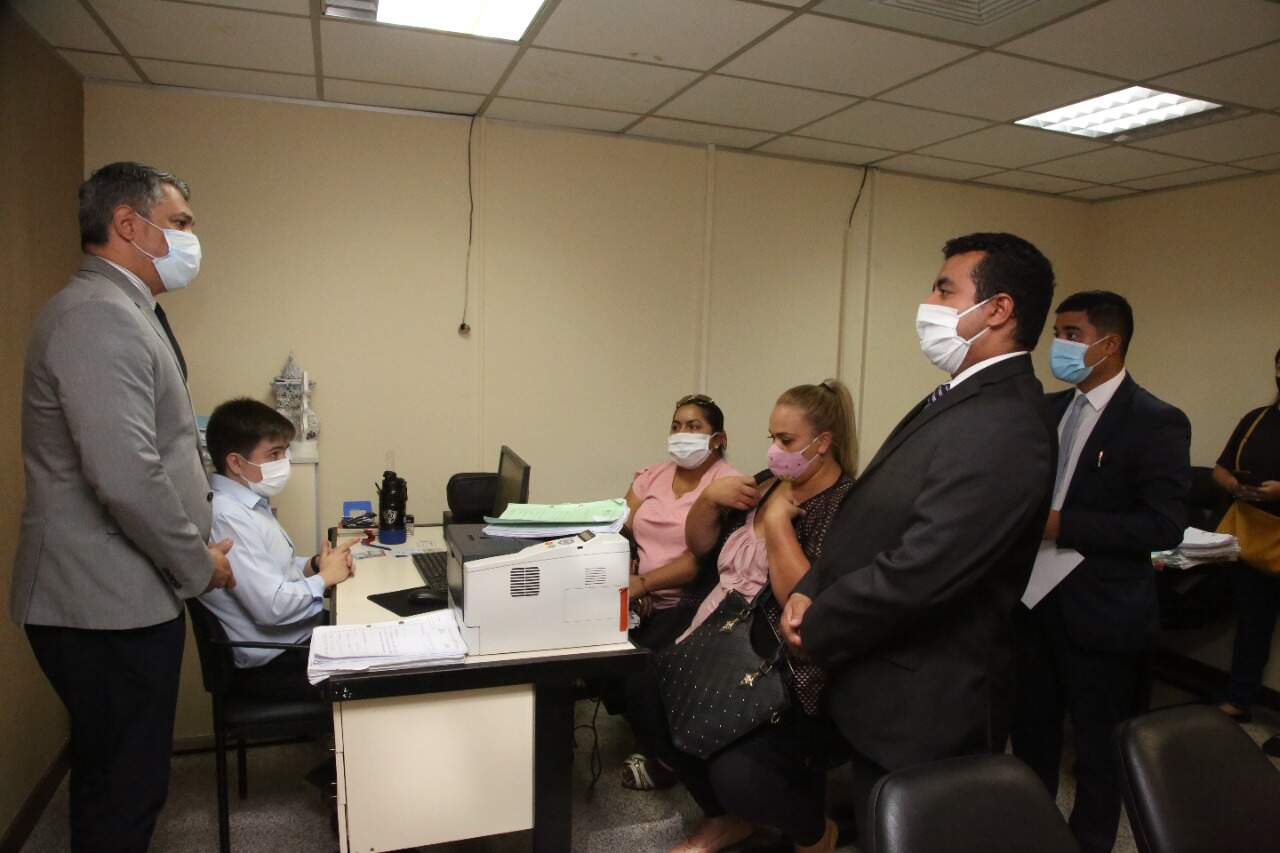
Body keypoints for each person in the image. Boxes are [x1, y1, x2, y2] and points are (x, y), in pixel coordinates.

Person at [781, 233, 1058, 839]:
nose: (927, 303)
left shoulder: (1007, 421)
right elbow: (875, 517)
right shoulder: (961, 396)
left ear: (997, 309)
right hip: (884, 683)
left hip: (928, 704)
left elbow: (926, 566)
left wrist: (819, 622)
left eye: (943, 290)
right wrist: (811, 583)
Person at [11, 161, 235, 853]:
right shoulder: (96, 317)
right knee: (126, 790)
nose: (192, 238)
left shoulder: (126, 310)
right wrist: (197, 563)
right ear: (128, 225)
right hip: (103, 606)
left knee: (116, 775)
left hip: (119, 597)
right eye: (180, 223)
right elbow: (126, 476)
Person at [634, 380, 857, 853]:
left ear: (823, 443)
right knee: (647, 694)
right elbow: (701, 547)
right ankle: (725, 820)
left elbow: (800, 601)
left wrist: (776, 525)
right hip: (720, 636)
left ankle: (816, 834)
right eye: (772, 437)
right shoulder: (767, 482)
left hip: (781, 662)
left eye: (787, 441)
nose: (774, 450)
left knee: (736, 772)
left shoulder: (843, 504)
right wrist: (709, 501)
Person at [1011, 291, 1190, 853]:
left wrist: (1062, 525)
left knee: (1097, 749)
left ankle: (1088, 842)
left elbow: (1163, 525)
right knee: (1031, 736)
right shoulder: (1048, 410)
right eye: (1057, 334)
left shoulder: (1156, 421)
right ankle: (1032, 835)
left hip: (1101, 611)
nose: (1059, 346)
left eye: (1072, 335)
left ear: (1109, 344)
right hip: (1032, 604)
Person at [618, 394, 740, 790]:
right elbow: (621, 529)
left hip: (689, 601)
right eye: (676, 426)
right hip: (639, 594)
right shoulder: (652, 475)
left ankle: (669, 762)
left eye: (693, 426)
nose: (681, 434)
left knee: (638, 673)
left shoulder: (726, 485)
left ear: (718, 438)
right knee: (597, 658)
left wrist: (645, 584)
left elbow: (697, 563)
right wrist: (631, 574)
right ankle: (649, 736)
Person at [200, 398, 356, 701]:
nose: (284, 462)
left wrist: (315, 564)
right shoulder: (227, 516)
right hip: (274, 662)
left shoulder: (248, 503)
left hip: (294, 639)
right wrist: (325, 578)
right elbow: (271, 606)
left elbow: (275, 569)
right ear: (236, 463)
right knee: (383, 668)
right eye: (274, 454)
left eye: (285, 451)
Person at [1215, 347, 1280, 726]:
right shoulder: (1257, 420)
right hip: (1252, 537)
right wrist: (1235, 486)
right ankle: (1239, 699)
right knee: (1253, 624)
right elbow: (1220, 469)